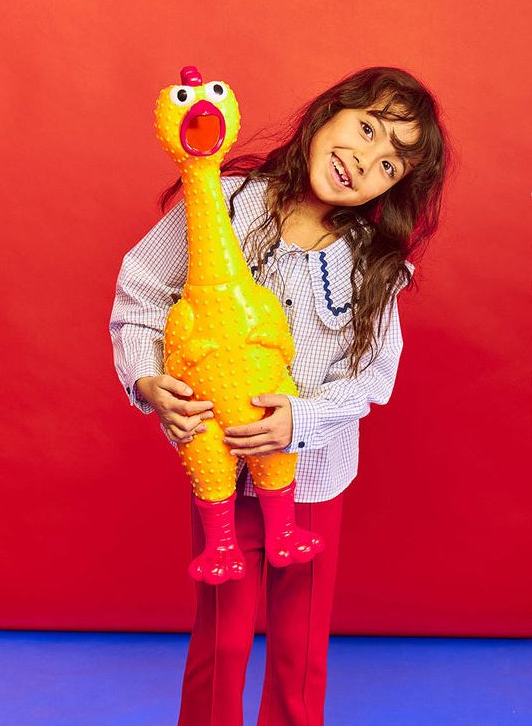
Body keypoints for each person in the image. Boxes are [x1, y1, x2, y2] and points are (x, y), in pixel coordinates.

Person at [109, 66, 452, 725]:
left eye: (389, 164)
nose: (365, 161)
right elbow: (141, 293)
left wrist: (302, 419)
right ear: (328, 111)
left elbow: (373, 378)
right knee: (223, 637)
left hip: (314, 477)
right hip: (222, 473)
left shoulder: (375, 263)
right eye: (366, 129)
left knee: (299, 645)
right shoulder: (222, 202)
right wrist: (148, 380)